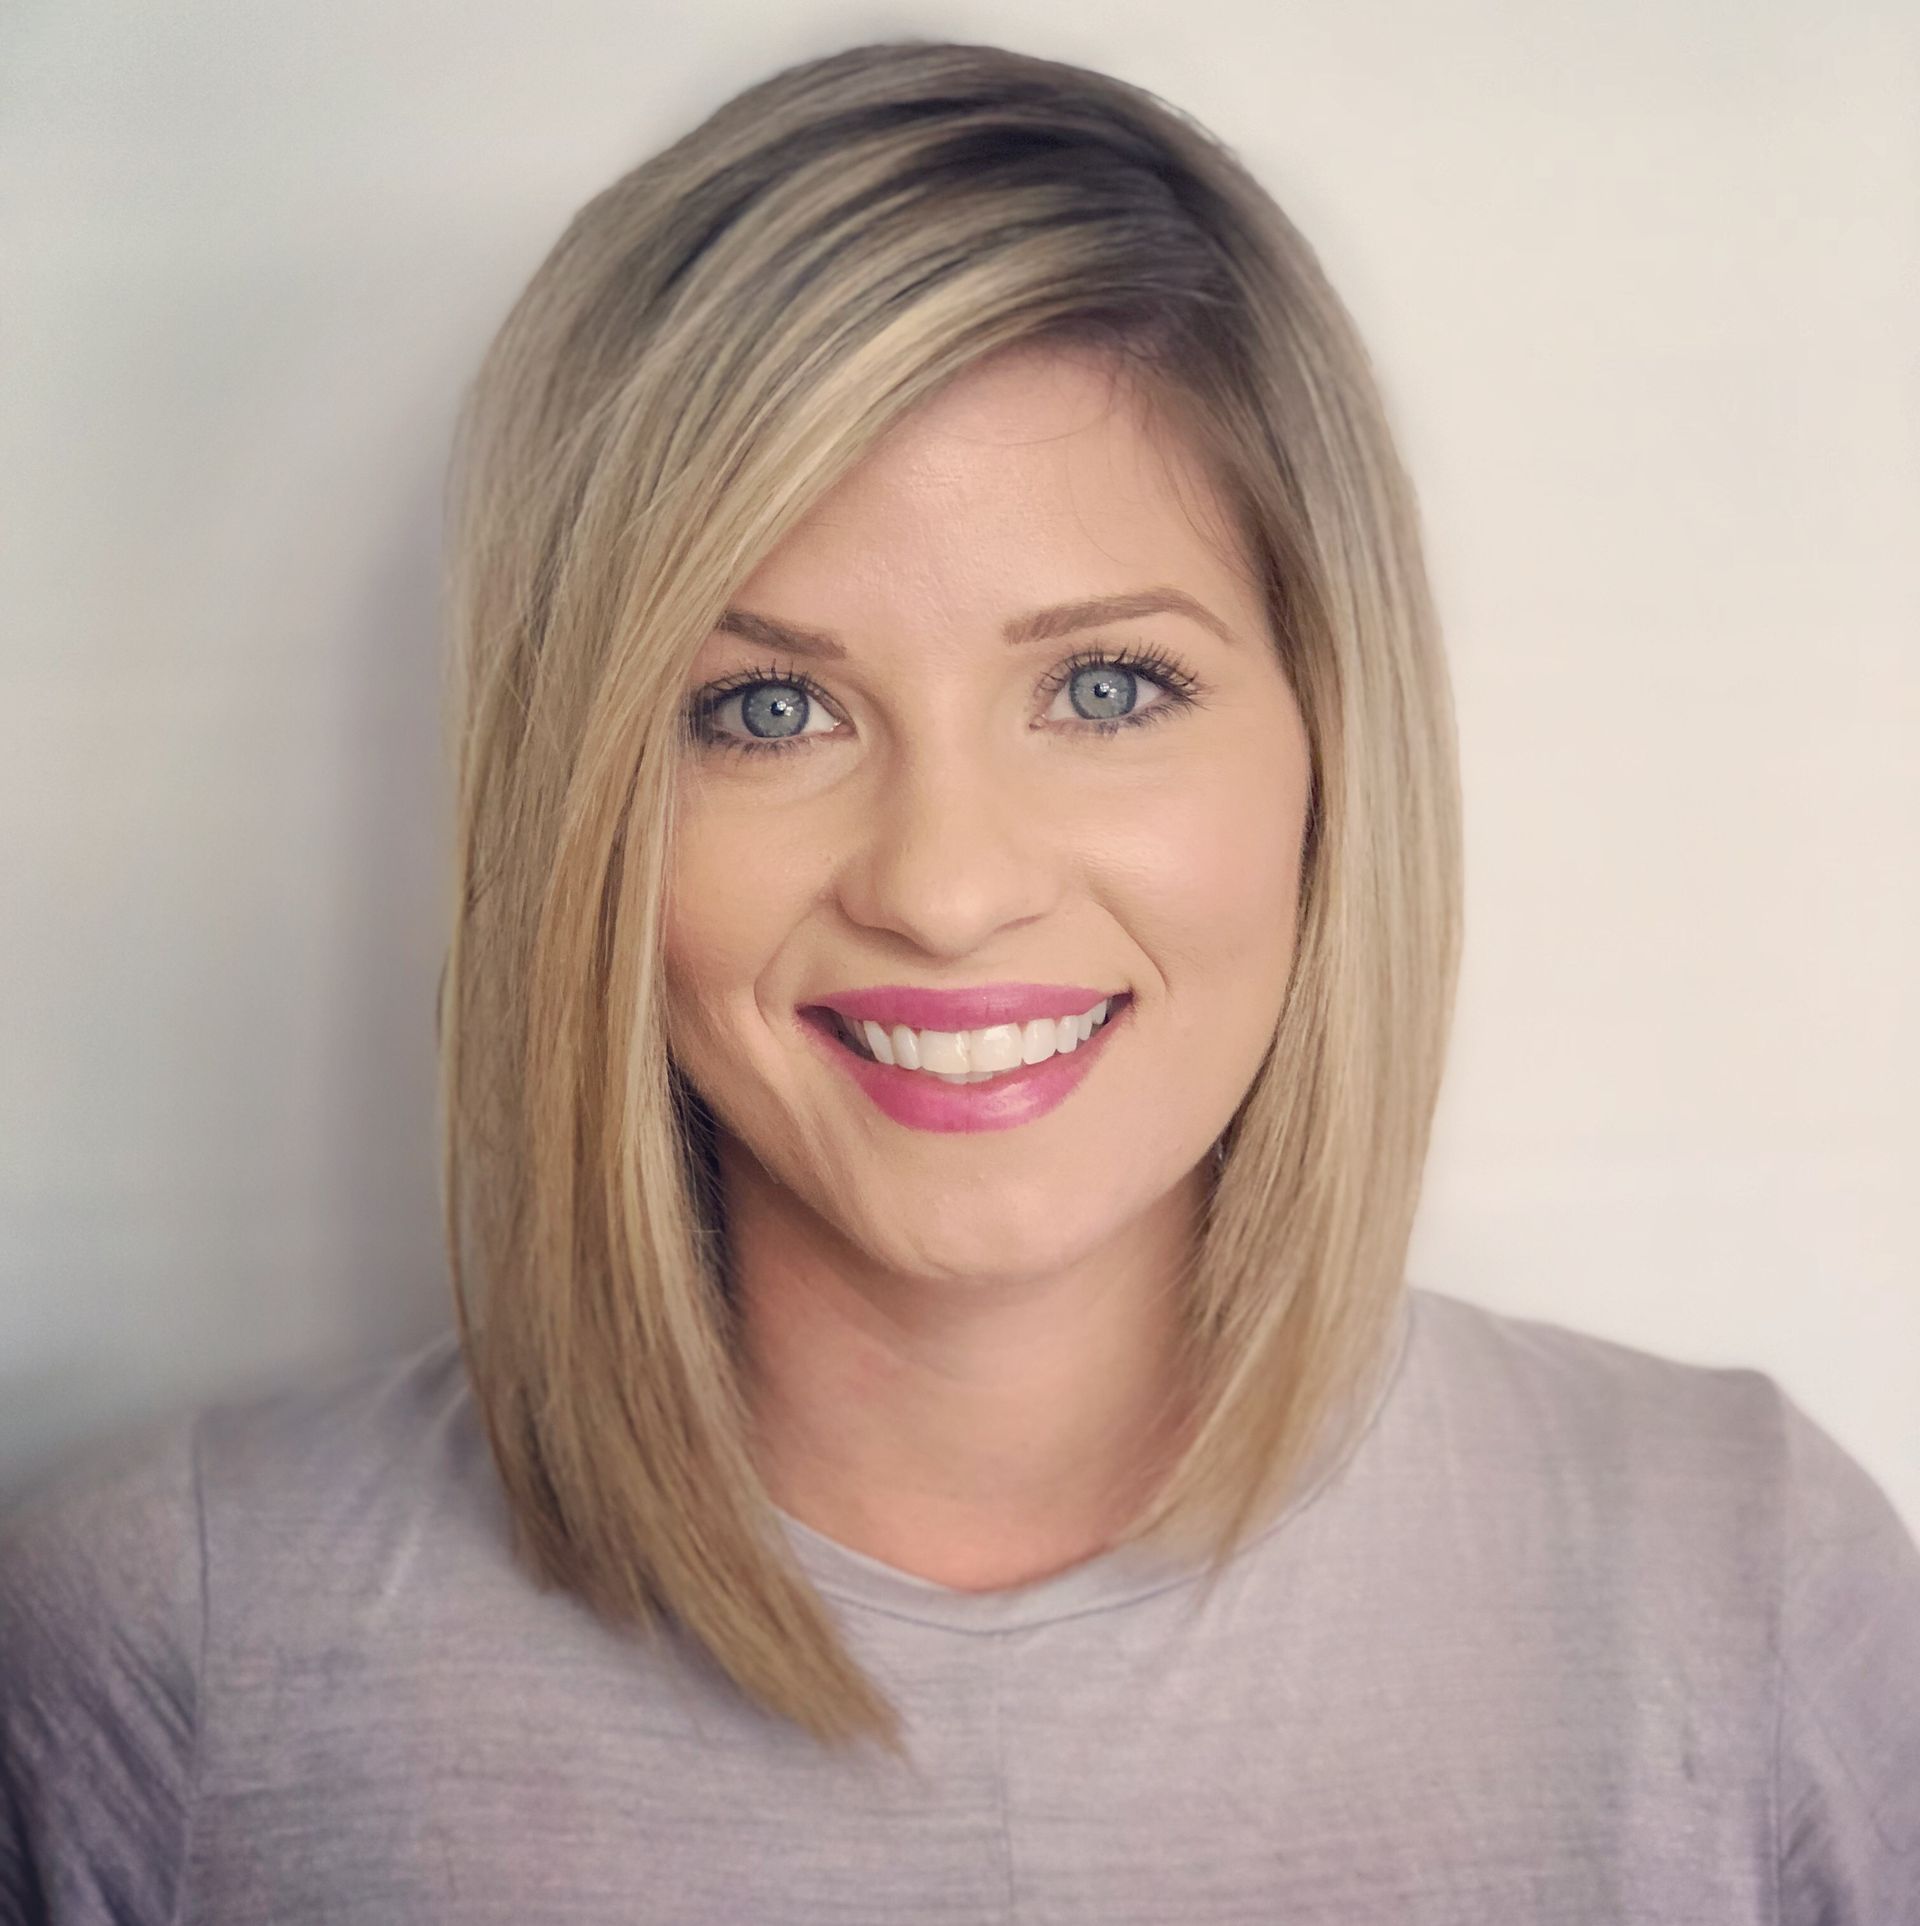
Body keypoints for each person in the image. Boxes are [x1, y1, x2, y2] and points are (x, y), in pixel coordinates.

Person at [3, 36, 1916, 1925]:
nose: (945, 884)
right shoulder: (164, 1654)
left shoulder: (1735, 1592)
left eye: (1104, 688)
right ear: (581, 812)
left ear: (1336, 747)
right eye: (768, 706)